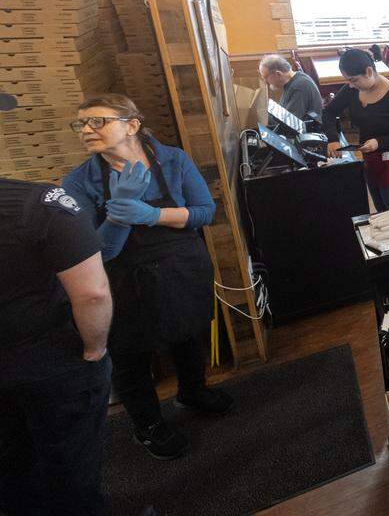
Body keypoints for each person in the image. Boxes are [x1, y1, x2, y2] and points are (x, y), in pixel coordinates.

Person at [63, 94, 227, 461]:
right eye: (81, 124)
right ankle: (148, 425)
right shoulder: (80, 183)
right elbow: (99, 253)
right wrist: (119, 217)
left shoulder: (171, 160)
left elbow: (204, 212)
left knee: (188, 334)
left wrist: (151, 215)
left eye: (98, 121)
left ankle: (193, 392)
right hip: (125, 280)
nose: (87, 130)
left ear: (132, 125)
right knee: (131, 356)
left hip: (181, 267)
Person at [1, 176, 114, 515]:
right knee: (71, 472)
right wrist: (95, 350)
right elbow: (93, 294)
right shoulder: (40, 202)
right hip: (51, 364)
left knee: (12, 476)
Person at [322, 47, 389, 211]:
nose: (350, 85)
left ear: (369, 72)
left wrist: (379, 142)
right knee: (381, 209)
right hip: (372, 159)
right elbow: (329, 112)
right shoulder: (352, 90)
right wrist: (332, 138)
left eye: (353, 80)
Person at [258, 53, 322, 121]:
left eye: (266, 77)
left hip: (307, 130)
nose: (265, 81)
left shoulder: (299, 86)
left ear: (278, 74)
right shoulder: (293, 81)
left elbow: (291, 121)